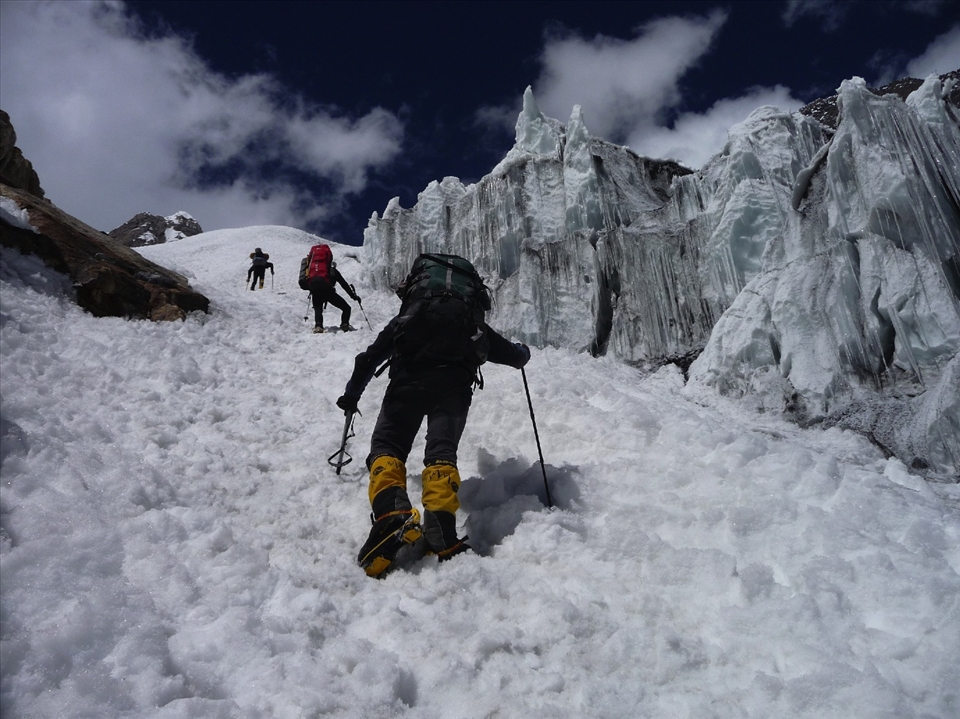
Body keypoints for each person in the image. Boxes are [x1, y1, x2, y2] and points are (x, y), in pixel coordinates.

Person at [336, 253, 530, 577]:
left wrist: (351, 395)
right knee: (441, 453)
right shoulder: (470, 319)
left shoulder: (409, 316)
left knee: (388, 445)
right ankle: (441, 528)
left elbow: (366, 359)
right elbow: (511, 355)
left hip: (407, 382)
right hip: (454, 387)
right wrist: (522, 353)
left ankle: (391, 514)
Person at [301, 244, 360, 333]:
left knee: (318, 308)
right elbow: (344, 285)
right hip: (328, 291)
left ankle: (318, 325)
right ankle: (345, 324)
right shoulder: (332, 271)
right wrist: (353, 296)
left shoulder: (312, 269)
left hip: (314, 289)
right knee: (346, 308)